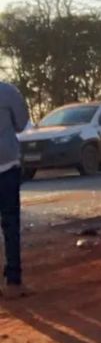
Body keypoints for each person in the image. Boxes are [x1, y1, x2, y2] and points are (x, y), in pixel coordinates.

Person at [0, 81, 30, 299]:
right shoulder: (8, 92)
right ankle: (13, 280)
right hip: (7, 165)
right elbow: (21, 124)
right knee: (11, 225)